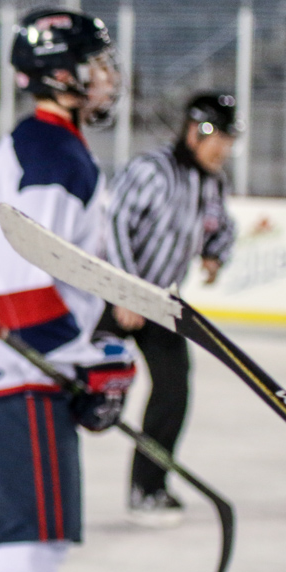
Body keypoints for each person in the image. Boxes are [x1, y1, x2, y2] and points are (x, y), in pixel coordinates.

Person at [0, 8, 136, 572]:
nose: (107, 76)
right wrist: (88, 359)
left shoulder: (45, 144)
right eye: (95, 64)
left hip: (5, 369)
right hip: (18, 371)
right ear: (59, 74)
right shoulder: (53, 152)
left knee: (14, 532)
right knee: (35, 536)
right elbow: (19, 286)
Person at [99, 92, 239, 526]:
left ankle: (148, 488)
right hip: (108, 293)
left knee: (173, 389)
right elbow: (115, 221)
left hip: (159, 302)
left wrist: (216, 253)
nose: (224, 148)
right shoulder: (151, 170)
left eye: (230, 139)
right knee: (74, 384)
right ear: (193, 131)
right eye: (217, 136)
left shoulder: (213, 181)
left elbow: (220, 225)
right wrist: (124, 290)